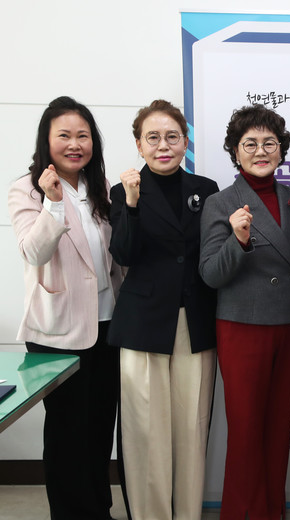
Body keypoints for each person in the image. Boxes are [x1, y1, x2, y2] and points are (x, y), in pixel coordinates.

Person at [8, 96, 123, 519]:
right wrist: (53, 202)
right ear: (47, 140)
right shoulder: (26, 189)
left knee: (99, 428)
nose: (75, 144)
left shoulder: (101, 187)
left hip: (107, 325)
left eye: (83, 136)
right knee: (66, 433)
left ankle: (98, 509)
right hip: (57, 331)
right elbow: (33, 252)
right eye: (65, 136)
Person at [199, 104, 290, 519]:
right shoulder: (221, 202)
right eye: (250, 144)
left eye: (270, 143)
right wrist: (239, 240)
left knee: (279, 426)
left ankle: (271, 511)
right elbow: (211, 274)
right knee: (246, 430)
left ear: (282, 149)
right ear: (235, 151)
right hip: (243, 327)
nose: (261, 151)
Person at [108, 99, 219, 520]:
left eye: (172, 136)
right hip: (143, 324)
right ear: (139, 145)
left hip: (195, 319)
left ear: (185, 142)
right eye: (152, 138)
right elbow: (124, 254)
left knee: (192, 426)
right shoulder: (122, 192)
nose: (163, 145)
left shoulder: (206, 189)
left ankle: (187, 513)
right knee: (145, 430)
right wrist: (132, 204)